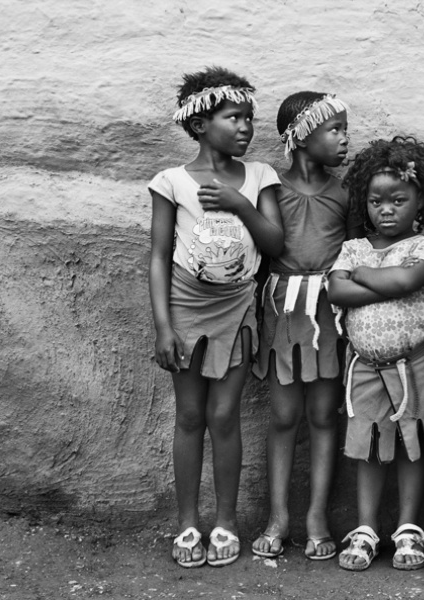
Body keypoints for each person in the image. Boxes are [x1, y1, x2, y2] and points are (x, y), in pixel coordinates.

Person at [148, 66, 284, 568]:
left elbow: (274, 243)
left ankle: (225, 521)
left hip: (236, 309)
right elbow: (159, 256)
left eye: (249, 117)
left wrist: (239, 204)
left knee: (224, 416)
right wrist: (164, 327)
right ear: (200, 125)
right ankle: (187, 522)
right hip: (186, 308)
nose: (246, 127)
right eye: (234, 117)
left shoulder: (260, 177)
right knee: (190, 416)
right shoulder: (172, 182)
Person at [250, 91, 362, 561]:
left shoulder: (344, 194)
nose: (344, 138)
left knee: (322, 416)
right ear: (300, 136)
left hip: (328, 314)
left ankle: (317, 518)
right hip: (283, 309)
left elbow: (353, 255)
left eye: (344, 129)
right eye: (334, 129)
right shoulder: (271, 191)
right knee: (283, 416)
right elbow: (266, 253)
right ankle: (277, 518)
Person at [327, 136, 424, 572]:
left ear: (421, 200)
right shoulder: (355, 247)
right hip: (365, 369)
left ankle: (409, 528)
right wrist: (377, 276)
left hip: (413, 365)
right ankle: (366, 528)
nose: (386, 210)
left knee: (412, 444)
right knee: (369, 447)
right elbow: (336, 291)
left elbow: (406, 283)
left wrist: (362, 276)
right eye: (376, 202)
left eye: (398, 200)